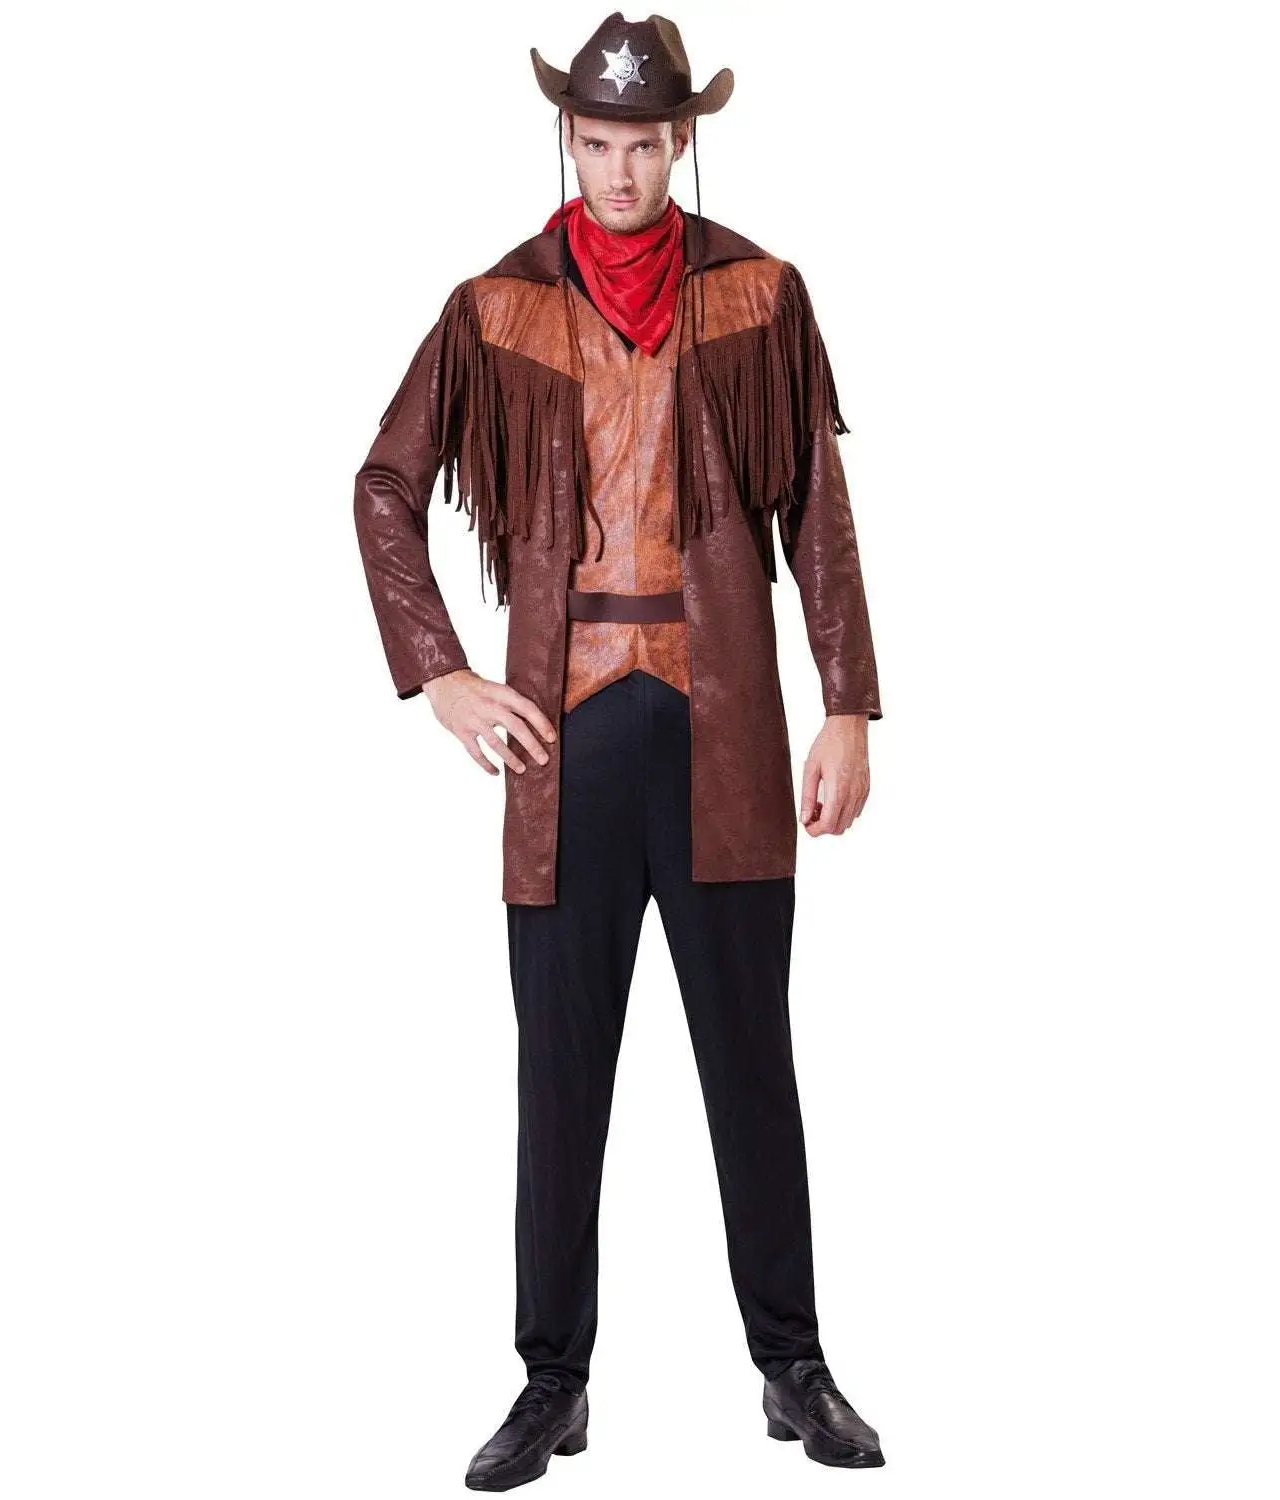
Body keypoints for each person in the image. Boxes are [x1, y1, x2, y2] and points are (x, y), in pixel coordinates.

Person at [353, 12, 886, 1489]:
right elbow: (384, 485)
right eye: (598, 142)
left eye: (646, 144)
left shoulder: (760, 295)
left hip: (725, 733)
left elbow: (818, 511)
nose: (623, 170)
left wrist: (846, 703)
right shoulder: (494, 309)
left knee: (751, 1066)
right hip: (565, 739)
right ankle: (552, 1382)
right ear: (568, 141)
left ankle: (792, 1365)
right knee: (561, 1079)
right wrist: (443, 674)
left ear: (681, 140)